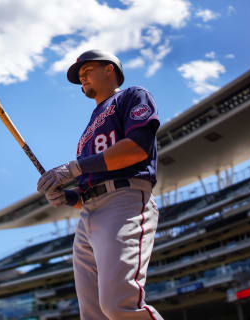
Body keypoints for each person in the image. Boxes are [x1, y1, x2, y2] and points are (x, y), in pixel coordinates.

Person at [37, 49, 164, 320]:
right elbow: (88, 187)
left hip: (125, 199)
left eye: (87, 71)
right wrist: (69, 197)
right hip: (89, 213)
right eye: (80, 75)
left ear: (109, 70)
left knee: (119, 306)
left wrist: (73, 168)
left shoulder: (132, 96)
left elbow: (138, 148)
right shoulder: (89, 127)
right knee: (94, 315)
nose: (82, 78)